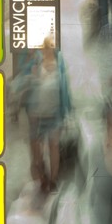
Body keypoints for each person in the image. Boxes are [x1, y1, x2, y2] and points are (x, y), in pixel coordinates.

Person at [20, 37, 73, 193]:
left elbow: (64, 88)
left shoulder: (59, 61)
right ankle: (42, 177)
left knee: (54, 147)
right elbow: (24, 81)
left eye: (50, 46)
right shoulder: (34, 60)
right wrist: (32, 77)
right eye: (45, 46)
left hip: (54, 113)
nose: (47, 49)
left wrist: (67, 111)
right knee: (37, 152)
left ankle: (53, 180)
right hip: (36, 115)